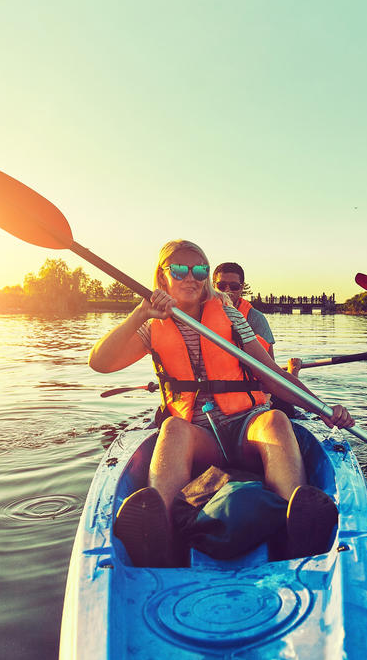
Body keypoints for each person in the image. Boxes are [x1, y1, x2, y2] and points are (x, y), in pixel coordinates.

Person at [89, 239, 353, 568]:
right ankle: (162, 534)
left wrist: (323, 410)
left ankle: (294, 523)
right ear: (162, 276)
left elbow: (272, 375)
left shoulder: (229, 314)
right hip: (201, 438)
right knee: (172, 427)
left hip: (246, 427)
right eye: (179, 269)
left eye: (200, 269)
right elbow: (100, 362)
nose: (191, 277)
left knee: (275, 421)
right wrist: (139, 313)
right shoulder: (151, 324)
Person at [212, 262, 275, 359]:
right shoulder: (199, 314)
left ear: (241, 288)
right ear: (213, 286)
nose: (227, 290)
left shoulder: (256, 318)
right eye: (222, 285)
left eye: (234, 286)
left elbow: (271, 362)